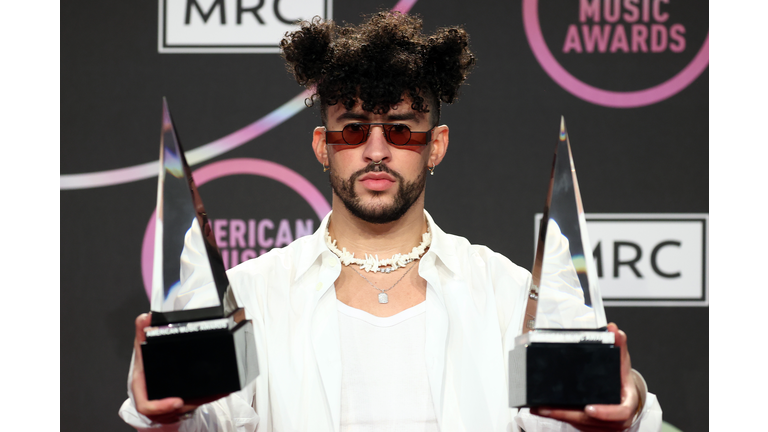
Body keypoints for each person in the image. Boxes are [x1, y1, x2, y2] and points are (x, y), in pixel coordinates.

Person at [119, 11, 662, 432]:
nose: (376, 151)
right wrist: (166, 413)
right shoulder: (251, 295)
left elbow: (591, 412)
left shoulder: (509, 294)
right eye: (353, 129)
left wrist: (626, 395)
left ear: (436, 146)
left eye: (401, 130)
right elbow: (202, 421)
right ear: (322, 146)